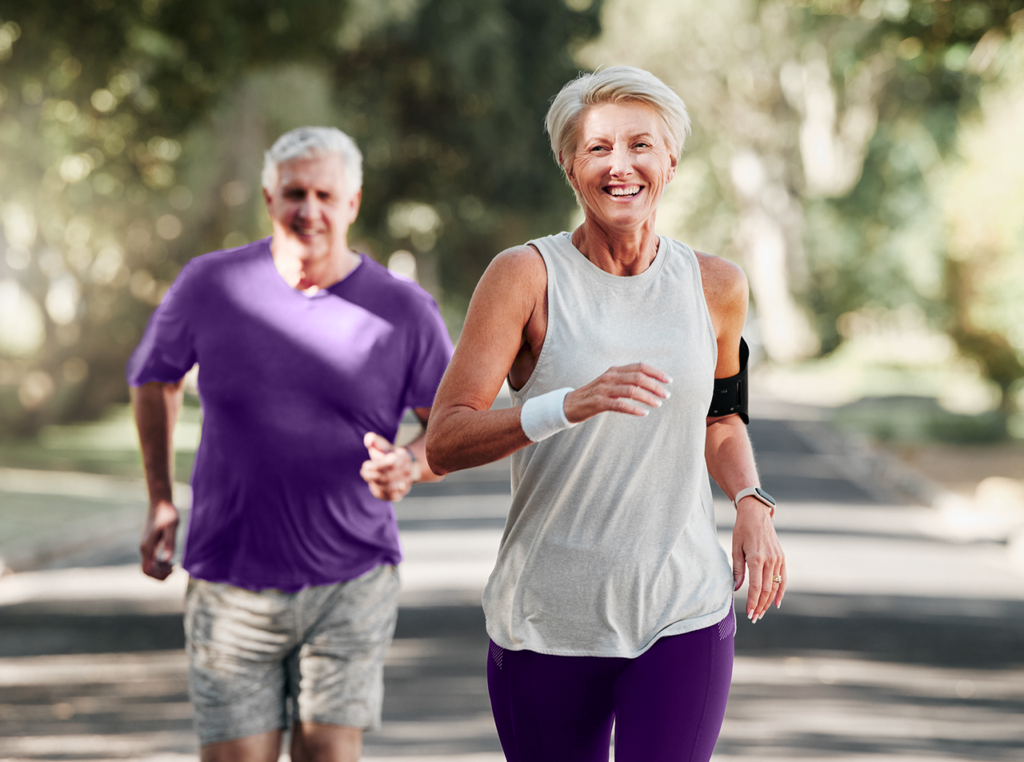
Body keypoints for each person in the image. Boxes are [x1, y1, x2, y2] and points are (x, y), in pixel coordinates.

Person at [425, 66, 786, 762]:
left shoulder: (716, 285)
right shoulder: (524, 277)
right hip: (546, 617)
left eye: (640, 145)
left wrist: (750, 498)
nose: (620, 166)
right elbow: (444, 440)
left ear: (671, 161)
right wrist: (566, 405)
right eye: (597, 149)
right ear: (568, 165)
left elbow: (722, 418)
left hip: (682, 608)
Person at [127, 126, 452, 762]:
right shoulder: (210, 285)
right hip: (230, 577)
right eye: (295, 193)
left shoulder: (404, 311)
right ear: (270, 199)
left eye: (326, 195)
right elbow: (154, 377)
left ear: (352, 203)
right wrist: (161, 500)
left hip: (352, 575)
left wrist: (410, 464)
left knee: (329, 753)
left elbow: (453, 425)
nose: (311, 210)